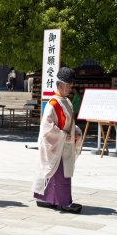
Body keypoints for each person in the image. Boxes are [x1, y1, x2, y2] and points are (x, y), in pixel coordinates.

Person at [33, 67, 83, 214]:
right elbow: (46, 127)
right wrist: (62, 134)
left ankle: (46, 199)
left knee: (59, 173)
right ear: (60, 85)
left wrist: (76, 132)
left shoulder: (66, 101)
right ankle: (64, 202)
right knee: (60, 175)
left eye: (70, 85)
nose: (70, 88)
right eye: (68, 86)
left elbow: (70, 123)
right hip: (56, 144)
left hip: (63, 143)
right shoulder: (53, 103)